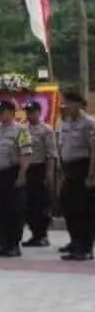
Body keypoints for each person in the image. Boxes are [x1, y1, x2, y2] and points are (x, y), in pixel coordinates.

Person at [0, 99, 31, 258]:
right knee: (0, 210)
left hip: (12, 172)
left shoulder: (21, 130)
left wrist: (22, 175)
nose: (1, 114)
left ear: (12, 112)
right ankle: (3, 243)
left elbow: (25, 154)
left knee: (14, 211)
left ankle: (13, 244)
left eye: (4, 111)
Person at [58, 90, 95, 261]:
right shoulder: (65, 123)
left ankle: (85, 247)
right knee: (69, 208)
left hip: (83, 167)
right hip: (69, 168)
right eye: (65, 102)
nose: (66, 106)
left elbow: (93, 150)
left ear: (79, 104)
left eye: (70, 103)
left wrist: (91, 175)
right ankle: (75, 242)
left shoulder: (89, 123)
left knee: (84, 209)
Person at [21, 100, 57, 248]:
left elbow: (51, 155)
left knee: (41, 204)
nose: (30, 115)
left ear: (39, 112)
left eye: (33, 112)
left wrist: (49, 174)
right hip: (27, 169)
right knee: (28, 204)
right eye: (28, 112)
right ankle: (34, 234)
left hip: (40, 169)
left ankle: (42, 235)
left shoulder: (46, 130)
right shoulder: (23, 130)